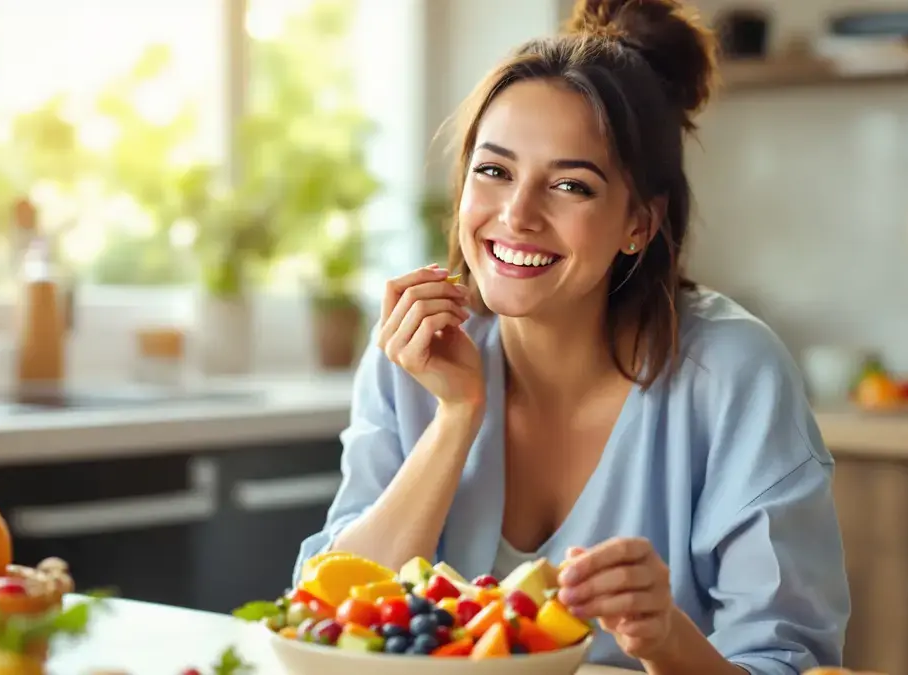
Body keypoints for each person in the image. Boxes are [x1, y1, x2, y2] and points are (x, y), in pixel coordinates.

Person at [293, 0, 850, 672]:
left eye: (570, 185)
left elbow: (790, 661)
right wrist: (457, 417)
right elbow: (323, 620)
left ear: (639, 223)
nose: (517, 214)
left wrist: (664, 637)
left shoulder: (732, 374)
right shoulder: (415, 352)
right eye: (494, 171)